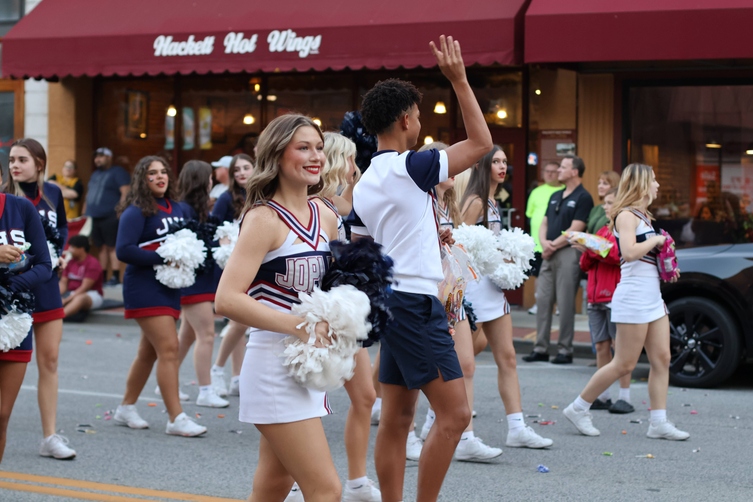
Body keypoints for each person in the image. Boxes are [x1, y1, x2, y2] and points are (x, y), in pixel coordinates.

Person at [347, 35, 492, 501]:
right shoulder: (410, 165)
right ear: (406, 119)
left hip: (395, 301)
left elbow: (370, 247)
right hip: (412, 303)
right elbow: (482, 143)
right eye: (419, 114)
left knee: (396, 420)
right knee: (455, 416)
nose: (421, 122)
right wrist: (459, 80)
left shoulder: (369, 179)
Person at [214, 114, 341, 502]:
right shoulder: (264, 219)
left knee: (273, 486)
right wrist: (300, 326)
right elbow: (227, 298)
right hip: (273, 365)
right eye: (303, 147)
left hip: (310, 363)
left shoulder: (327, 216)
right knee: (326, 490)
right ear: (277, 154)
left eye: (318, 147)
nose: (315, 156)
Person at [563, 163, 689, 441]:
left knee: (662, 359)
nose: (657, 185)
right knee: (624, 363)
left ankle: (658, 422)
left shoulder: (644, 216)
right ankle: (578, 407)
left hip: (651, 296)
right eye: (653, 180)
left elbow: (644, 257)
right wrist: (656, 240)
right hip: (632, 296)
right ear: (642, 184)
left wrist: (667, 263)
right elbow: (629, 253)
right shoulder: (626, 216)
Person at [412, 141, 504, 463]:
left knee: (466, 363)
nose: (456, 168)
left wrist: (449, 241)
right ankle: (409, 430)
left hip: (452, 293)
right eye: (448, 162)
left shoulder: (447, 202)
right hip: (422, 295)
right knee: (406, 371)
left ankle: (464, 437)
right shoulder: (417, 199)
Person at [459, 146, 553, 450]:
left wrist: (510, 258)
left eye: (504, 161)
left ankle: (517, 427)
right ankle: (463, 435)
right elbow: (459, 245)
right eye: (496, 161)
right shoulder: (474, 202)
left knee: (508, 357)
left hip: (493, 290)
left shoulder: (494, 203)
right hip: (473, 289)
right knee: (464, 363)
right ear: (483, 166)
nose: (502, 166)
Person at [113, 155, 206, 437]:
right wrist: (163, 257)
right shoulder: (135, 212)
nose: (159, 177)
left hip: (171, 287)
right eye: (152, 173)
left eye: (163, 172)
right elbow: (124, 250)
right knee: (169, 349)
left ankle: (126, 407)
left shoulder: (181, 208)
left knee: (148, 352)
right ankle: (175, 417)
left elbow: (194, 240)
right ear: (142, 179)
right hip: (144, 288)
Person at [6, 138, 76, 459]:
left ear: (39, 163)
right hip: (8, 293)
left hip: (45, 286)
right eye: (11, 160)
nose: (15, 165)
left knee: (49, 361)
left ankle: (50, 436)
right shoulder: (7, 198)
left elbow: (61, 229)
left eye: (22, 159)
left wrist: (59, 254)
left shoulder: (53, 193)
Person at [0, 174, 54, 463]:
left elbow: (44, 265)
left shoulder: (21, 209)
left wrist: (10, 288)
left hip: (14, 319)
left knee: (2, 415)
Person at [523, 155, 594, 364]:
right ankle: (541, 348)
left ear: (574, 172)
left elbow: (577, 227)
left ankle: (565, 350)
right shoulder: (556, 195)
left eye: (563, 167)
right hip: (548, 252)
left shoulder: (583, 197)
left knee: (565, 302)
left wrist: (553, 245)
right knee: (543, 300)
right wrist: (544, 242)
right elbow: (544, 222)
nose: (558, 171)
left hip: (568, 252)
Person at [173, 160, 229, 408]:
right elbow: (188, 247)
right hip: (193, 282)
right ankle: (205, 391)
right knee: (206, 334)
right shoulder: (184, 210)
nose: (212, 182)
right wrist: (220, 246)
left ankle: (167, 379)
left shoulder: (201, 209)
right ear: (200, 181)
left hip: (204, 280)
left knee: (187, 336)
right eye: (208, 178)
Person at [574, 188, 634, 414]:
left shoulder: (624, 231)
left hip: (614, 295)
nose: (605, 207)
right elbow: (585, 265)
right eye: (605, 203)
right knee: (601, 345)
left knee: (620, 348)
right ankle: (604, 395)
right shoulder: (600, 230)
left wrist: (592, 248)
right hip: (596, 295)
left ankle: (625, 397)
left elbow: (618, 256)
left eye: (610, 203)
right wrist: (589, 249)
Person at [210, 154, 254, 398]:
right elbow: (212, 228)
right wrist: (222, 240)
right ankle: (217, 369)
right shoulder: (226, 198)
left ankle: (237, 377)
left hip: (258, 264)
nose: (241, 173)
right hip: (233, 264)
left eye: (246, 168)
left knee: (241, 323)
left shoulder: (262, 194)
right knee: (239, 321)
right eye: (236, 170)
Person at [84, 147, 130, 286]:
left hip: (110, 215)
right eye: (96, 156)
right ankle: (103, 276)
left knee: (112, 246)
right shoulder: (95, 174)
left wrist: (121, 209)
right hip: (93, 216)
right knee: (101, 247)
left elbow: (125, 191)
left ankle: (115, 276)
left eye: (101, 156)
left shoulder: (118, 172)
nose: (97, 159)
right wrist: (84, 212)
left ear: (109, 157)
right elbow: (88, 194)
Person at [524, 161, 563, 314]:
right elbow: (529, 214)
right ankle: (539, 303)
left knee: (559, 275)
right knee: (539, 274)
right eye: (547, 171)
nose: (550, 174)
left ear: (559, 173)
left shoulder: (564, 191)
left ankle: (560, 305)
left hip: (557, 242)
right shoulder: (536, 192)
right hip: (538, 242)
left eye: (553, 171)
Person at [59, 235, 104, 319]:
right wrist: (57, 297)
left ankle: (58, 317)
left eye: (73, 247)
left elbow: (84, 288)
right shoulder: (70, 262)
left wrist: (66, 300)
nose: (70, 250)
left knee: (80, 298)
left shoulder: (92, 263)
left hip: (91, 294)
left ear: (82, 248)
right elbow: (63, 283)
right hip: (71, 292)